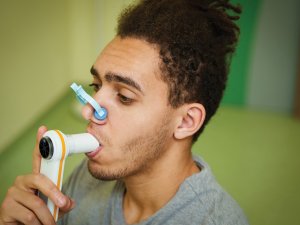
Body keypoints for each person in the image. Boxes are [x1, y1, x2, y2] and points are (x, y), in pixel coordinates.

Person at [0, 0, 249, 224]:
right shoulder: (87, 178)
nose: (89, 111)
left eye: (124, 96)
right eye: (96, 86)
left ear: (185, 121)